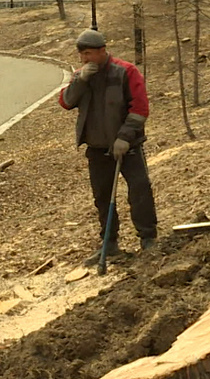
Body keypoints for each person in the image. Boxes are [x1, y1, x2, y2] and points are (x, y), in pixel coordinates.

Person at [58, 29, 159, 262]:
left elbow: (140, 108)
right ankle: (109, 243)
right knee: (102, 196)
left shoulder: (126, 72)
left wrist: (125, 136)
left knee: (140, 189)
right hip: (97, 148)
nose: (85, 59)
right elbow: (66, 102)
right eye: (82, 55)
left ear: (102, 51)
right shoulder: (80, 76)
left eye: (89, 54)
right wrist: (80, 80)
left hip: (128, 147)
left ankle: (148, 238)